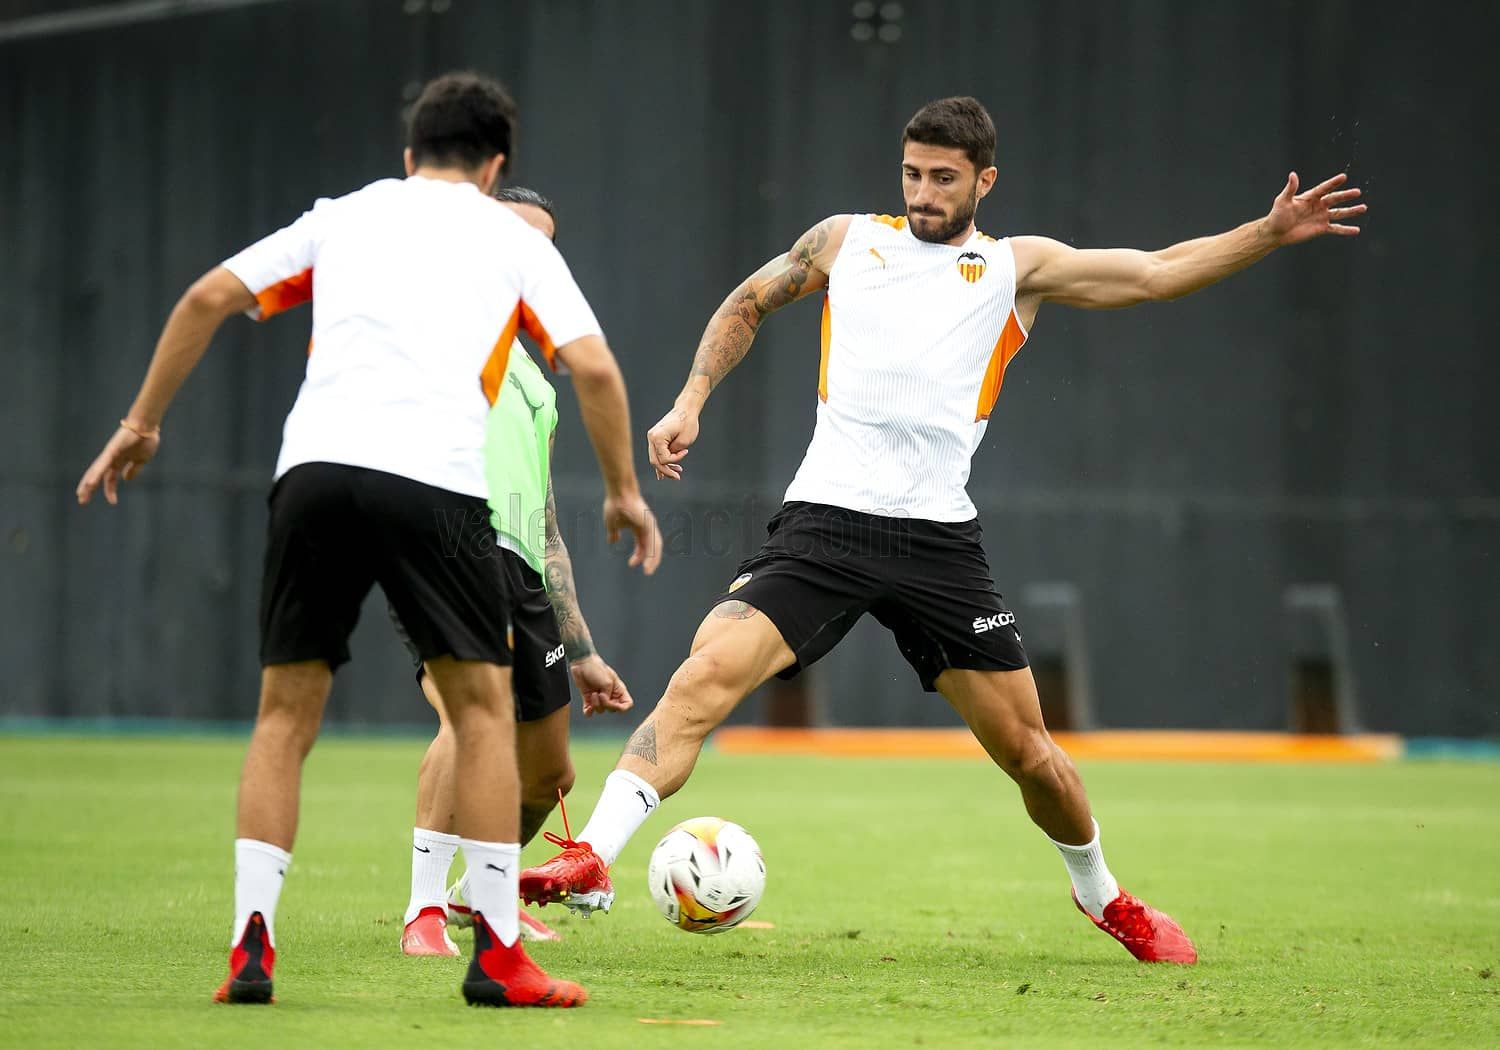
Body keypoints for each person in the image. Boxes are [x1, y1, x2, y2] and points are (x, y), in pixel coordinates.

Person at [518, 96, 1365, 965]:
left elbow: (1153, 272)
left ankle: (1104, 895)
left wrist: (1265, 233)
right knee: (702, 678)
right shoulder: (846, 240)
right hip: (824, 526)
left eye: (943, 178)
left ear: (983, 181)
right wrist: (690, 398)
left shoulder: (1015, 267)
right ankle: (593, 857)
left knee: (1032, 757)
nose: (922, 191)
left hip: (937, 544)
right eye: (912, 173)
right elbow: (748, 301)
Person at [76, 73, 660, 1008]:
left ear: (407, 154)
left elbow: (202, 299)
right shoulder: (507, 236)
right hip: (434, 484)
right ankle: (500, 956)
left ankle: (249, 947)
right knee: (479, 714)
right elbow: (591, 363)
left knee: (282, 720)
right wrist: (625, 489)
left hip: (313, 474)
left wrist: (143, 422)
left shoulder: (339, 217)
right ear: (495, 164)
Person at [394, 187, 634, 955]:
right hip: (448, 548)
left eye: (544, 245)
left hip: (523, 570)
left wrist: (586, 649)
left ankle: (480, 893)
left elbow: (549, 526)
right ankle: (423, 911)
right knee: (472, 717)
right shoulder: (440, 326)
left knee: (550, 774)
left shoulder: (535, 376)